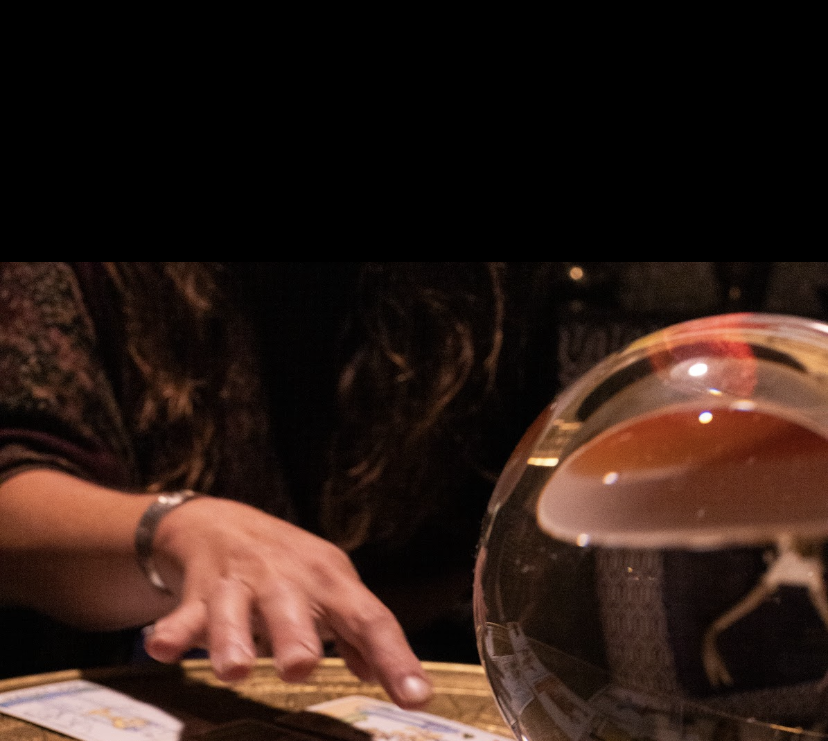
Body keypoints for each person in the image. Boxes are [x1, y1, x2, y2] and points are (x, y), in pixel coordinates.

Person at [0, 263, 825, 690]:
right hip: (127, 689)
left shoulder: (486, 288)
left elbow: (512, 515)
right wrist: (174, 530)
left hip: (419, 698)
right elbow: (17, 492)